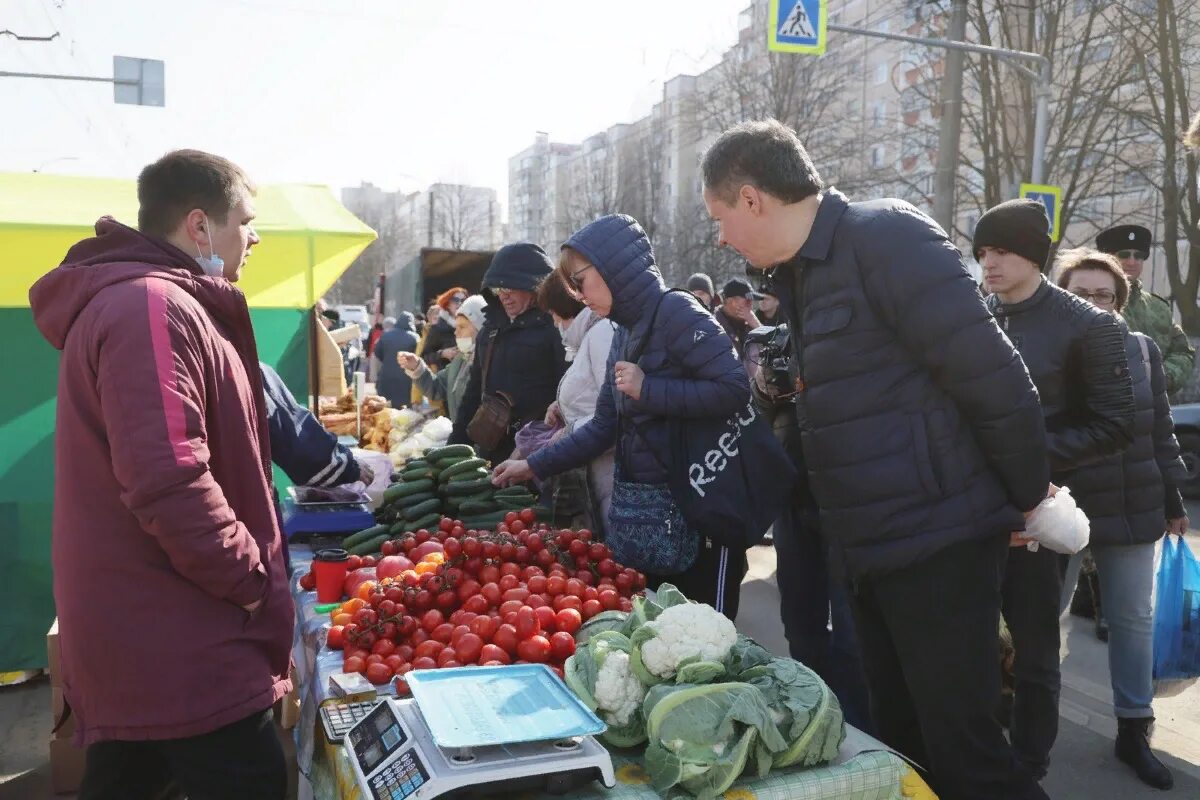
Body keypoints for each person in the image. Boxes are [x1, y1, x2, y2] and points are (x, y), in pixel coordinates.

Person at [700, 119, 1053, 799]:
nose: (721, 237)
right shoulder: (806, 276)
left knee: (969, 758)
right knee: (904, 746)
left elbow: (995, 381)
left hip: (939, 546)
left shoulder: (885, 236)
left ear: (751, 199)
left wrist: (1030, 501)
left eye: (720, 218)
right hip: (871, 553)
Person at [28, 149, 292, 800]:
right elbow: (169, 481)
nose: (253, 236)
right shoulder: (150, 307)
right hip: (183, 639)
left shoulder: (153, 301)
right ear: (200, 228)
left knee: (124, 781)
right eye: (245, 221)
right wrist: (251, 581)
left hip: (152, 631)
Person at [492, 215, 752, 616]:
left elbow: (735, 389)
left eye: (580, 281)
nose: (578, 295)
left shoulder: (678, 311)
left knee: (710, 639)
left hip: (704, 514)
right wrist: (531, 466)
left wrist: (649, 390)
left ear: (614, 268)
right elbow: (602, 426)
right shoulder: (624, 333)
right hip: (656, 518)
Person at [976, 200, 1135, 781]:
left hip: (1040, 513)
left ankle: (1030, 763)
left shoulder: (1090, 325)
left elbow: (1116, 424)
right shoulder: (975, 315)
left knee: (1036, 650)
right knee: (974, 645)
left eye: (1002, 250)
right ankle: (986, 752)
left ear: (1035, 255)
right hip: (970, 512)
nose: (989, 263)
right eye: (983, 251)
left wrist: (1027, 457)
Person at [1053, 248, 1185, 790]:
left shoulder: (1142, 350)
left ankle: (1135, 729)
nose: (1090, 303)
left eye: (1102, 294)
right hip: (1061, 507)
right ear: (1061, 296)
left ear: (1120, 301)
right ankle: (1017, 712)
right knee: (1041, 619)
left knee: (1133, 623)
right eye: (1078, 293)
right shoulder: (1042, 347)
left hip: (1132, 505)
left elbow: (1160, 429)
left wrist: (1174, 500)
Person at [449, 244, 566, 462]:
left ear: (534, 287)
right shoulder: (491, 329)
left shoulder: (556, 328)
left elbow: (568, 396)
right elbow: (473, 393)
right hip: (491, 449)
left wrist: (536, 449)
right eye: (498, 290)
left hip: (538, 454)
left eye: (510, 288)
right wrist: (454, 447)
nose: (504, 297)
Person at [536, 270, 617, 530]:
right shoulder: (589, 336)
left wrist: (569, 432)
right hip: (596, 473)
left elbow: (617, 410)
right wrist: (563, 406)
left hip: (612, 476)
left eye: (553, 315)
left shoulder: (602, 334)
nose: (554, 323)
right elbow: (594, 393)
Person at [1096, 224, 1196, 395]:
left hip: (1156, 411)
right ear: (1107, 258)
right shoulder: (1092, 301)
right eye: (1124, 254)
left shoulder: (1158, 307)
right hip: (1107, 408)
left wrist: (1165, 376)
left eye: (1139, 256)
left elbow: (1183, 351)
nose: (1132, 262)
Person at [399, 295, 487, 422]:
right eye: (456, 327)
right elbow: (437, 387)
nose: (456, 333)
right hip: (460, 438)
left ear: (480, 329)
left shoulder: (492, 363)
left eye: (462, 327)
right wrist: (417, 367)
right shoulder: (460, 360)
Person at [714, 277, 763, 374]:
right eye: (747, 301)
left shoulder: (749, 323)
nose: (751, 305)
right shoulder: (713, 325)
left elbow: (772, 350)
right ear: (732, 301)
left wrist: (757, 326)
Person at [371, 311, 419, 408]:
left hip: (386, 377)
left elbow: (377, 354)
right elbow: (419, 359)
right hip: (406, 380)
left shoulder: (385, 335)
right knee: (404, 412)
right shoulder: (415, 338)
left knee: (385, 408)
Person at [421, 287, 468, 370]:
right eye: (455, 300)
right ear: (448, 304)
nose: (460, 303)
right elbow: (423, 357)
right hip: (446, 379)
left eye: (463, 300)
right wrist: (442, 354)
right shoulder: (438, 328)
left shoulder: (472, 325)